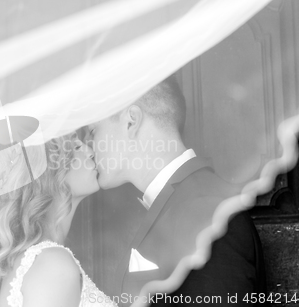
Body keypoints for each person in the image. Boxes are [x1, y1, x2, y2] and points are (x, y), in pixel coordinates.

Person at [87, 75, 267, 306]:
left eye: (93, 132)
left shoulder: (205, 211)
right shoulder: (185, 202)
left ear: (131, 121)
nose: (90, 148)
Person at [0, 133, 117, 307]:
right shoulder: (53, 265)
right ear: (49, 172)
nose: (90, 151)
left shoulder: (36, 261)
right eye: (76, 147)